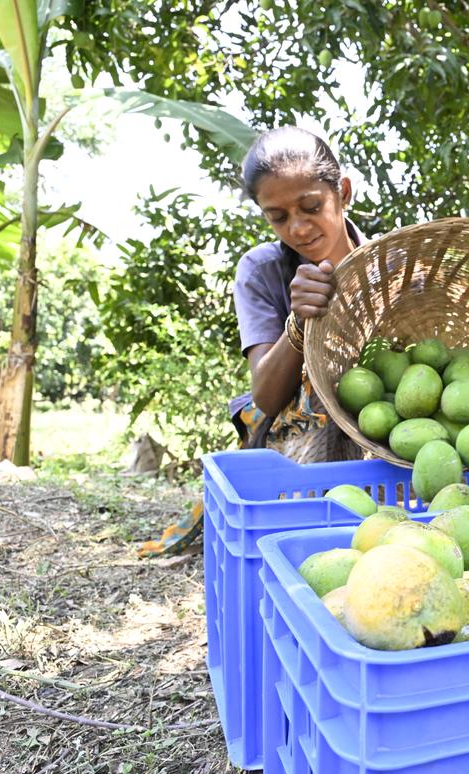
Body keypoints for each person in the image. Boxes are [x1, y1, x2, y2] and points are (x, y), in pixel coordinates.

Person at [140, 126, 367, 556]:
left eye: (311, 207)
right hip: (298, 448)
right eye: (278, 217)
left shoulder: (389, 265)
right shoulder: (262, 271)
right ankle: (306, 525)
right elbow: (265, 395)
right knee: (321, 378)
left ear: (343, 192)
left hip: (381, 435)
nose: (298, 228)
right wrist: (300, 324)